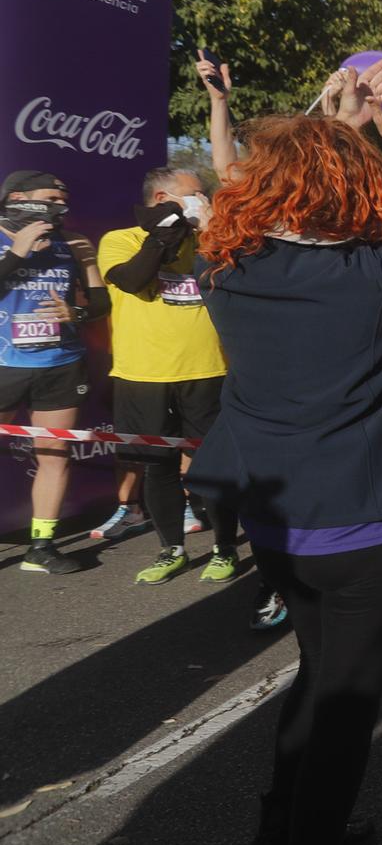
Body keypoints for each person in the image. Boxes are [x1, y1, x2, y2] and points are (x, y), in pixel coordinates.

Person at [184, 57, 382, 845]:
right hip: (366, 524)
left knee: (315, 675)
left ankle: (279, 839)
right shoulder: (376, 274)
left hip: (276, 518)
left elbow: (241, 189)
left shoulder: (225, 263)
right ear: (348, 184)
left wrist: (331, 122)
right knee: (343, 709)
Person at [99, 166, 249, 589]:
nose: (205, 200)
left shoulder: (210, 239)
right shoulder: (120, 239)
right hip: (141, 373)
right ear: (164, 198)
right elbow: (131, 280)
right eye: (196, 194)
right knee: (157, 467)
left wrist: (209, 229)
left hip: (208, 370)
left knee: (215, 466)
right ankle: (172, 549)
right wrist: (163, 234)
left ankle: (224, 548)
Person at [2, 169, 107, 575]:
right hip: (4, 364)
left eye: (63, 201)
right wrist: (17, 254)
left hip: (59, 364)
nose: (59, 207)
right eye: (50, 199)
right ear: (17, 198)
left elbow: (100, 305)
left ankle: (40, 546)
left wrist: (76, 311)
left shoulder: (72, 243)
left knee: (54, 453)